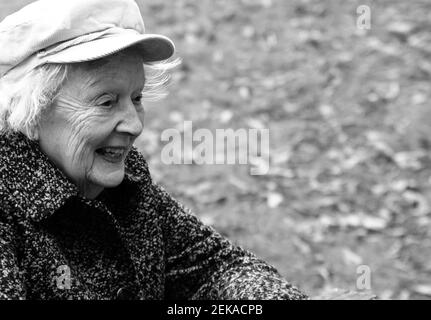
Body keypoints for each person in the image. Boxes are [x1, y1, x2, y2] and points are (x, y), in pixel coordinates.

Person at [0, 0, 307, 300]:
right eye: (106, 102)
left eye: (137, 98)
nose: (134, 125)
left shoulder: (127, 189)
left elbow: (219, 268)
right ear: (32, 114)